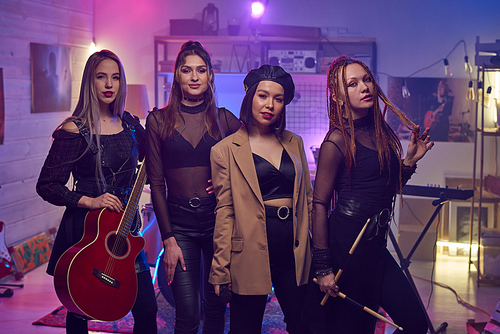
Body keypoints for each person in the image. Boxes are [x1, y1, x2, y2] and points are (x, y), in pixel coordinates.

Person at [302, 56, 434, 334]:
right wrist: (323, 267)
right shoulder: (336, 141)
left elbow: (384, 190)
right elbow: (319, 205)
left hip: (374, 247)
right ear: (338, 97)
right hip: (345, 248)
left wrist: (409, 161)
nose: (365, 87)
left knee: (415, 324)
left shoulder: (380, 133)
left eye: (367, 79)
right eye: (353, 83)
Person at [36, 50, 157, 333]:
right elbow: (47, 185)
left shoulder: (129, 124)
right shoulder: (74, 130)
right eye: (101, 77)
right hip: (86, 231)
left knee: (147, 309)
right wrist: (89, 200)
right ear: (90, 82)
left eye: (115, 78)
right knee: (80, 308)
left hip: (125, 232)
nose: (109, 85)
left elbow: (152, 157)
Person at [209, 65, 313, 334]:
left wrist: (320, 253)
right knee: (245, 328)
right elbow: (225, 211)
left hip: (294, 247)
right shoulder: (224, 151)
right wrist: (220, 267)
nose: (270, 105)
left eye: (278, 99)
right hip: (249, 251)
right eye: (263, 96)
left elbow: (309, 201)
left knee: (304, 324)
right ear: (250, 98)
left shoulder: (295, 143)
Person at [145, 41, 241, 334]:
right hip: (180, 228)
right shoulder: (158, 120)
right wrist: (169, 239)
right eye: (187, 70)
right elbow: (157, 184)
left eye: (201, 70)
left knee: (215, 307)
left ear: (211, 75)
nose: (194, 76)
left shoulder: (224, 119)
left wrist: (229, 182)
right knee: (187, 314)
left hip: (219, 225)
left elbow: (255, 155)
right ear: (177, 75)